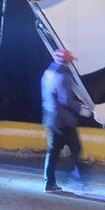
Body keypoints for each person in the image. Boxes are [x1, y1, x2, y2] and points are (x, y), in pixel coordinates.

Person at [41, 48, 91, 193]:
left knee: (53, 152)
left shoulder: (48, 72)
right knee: (76, 148)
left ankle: (49, 183)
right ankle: (75, 178)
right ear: (66, 61)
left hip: (50, 118)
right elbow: (66, 100)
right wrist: (82, 109)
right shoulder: (64, 76)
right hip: (64, 121)